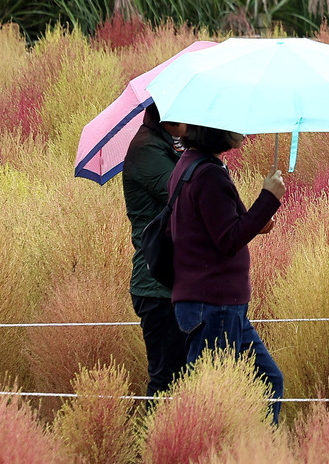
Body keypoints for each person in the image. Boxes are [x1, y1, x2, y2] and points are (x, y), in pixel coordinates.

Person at [167, 124, 287, 421]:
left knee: (268, 380)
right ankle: (201, 459)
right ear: (215, 130)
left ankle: (254, 457)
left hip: (215, 306)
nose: (243, 130)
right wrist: (268, 197)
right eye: (234, 125)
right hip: (215, 307)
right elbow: (228, 238)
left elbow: (218, 228)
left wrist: (258, 219)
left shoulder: (191, 165)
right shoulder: (208, 175)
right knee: (211, 402)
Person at [122, 104, 188, 399]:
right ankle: (156, 444)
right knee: (166, 381)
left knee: (185, 378)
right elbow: (183, 193)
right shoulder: (146, 150)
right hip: (157, 284)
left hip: (176, 281)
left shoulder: (166, 144)